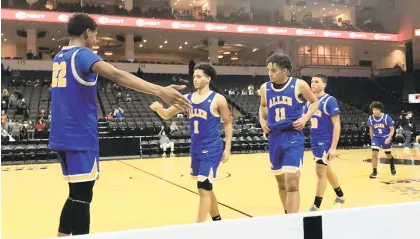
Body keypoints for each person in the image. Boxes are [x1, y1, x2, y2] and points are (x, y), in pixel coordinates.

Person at [49, 13, 191, 237]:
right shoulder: (83, 54)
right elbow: (116, 75)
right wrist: (160, 90)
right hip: (79, 134)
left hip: (62, 135)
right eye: (95, 34)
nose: (96, 40)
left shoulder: (60, 56)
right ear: (88, 32)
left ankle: (62, 236)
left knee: (76, 194)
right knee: (83, 196)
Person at [150, 62, 232, 222]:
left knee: (202, 186)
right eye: (194, 76)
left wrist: (228, 148)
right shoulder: (187, 99)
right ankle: (217, 221)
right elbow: (167, 114)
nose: (195, 79)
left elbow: (228, 123)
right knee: (206, 187)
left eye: (199, 76)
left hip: (212, 148)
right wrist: (159, 108)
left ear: (208, 79)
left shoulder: (218, 99)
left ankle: (198, 228)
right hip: (196, 149)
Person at [259, 53, 319, 214]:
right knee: (281, 183)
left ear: (285, 71)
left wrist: (305, 117)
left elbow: (314, 102)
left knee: (292, 182)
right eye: (268, 70)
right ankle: (287, 215)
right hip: (274, 137)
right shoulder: (265, 87)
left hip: (293, 135)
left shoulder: (299, 84)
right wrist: (262, 120)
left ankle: (293, 220)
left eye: (274, 70)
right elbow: (263, 106)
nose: (270, 73)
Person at [304, 73, 345, 211]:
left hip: (325, 141)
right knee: (326, 170)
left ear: (324, 84)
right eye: (311, 81)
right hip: (314, 141)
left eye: (316, 81)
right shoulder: (309, 102)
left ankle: (316, 205)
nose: (313, 83)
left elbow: (337, 125)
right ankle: (340, 195)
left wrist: (333, 147)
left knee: (320, 171)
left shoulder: (330, 100)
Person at [366, 101, 396, 179]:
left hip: (386, 137)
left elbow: (392, 129)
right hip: (376, 138)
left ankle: (392, 163)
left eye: (376, 109)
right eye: (373, 109)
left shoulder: (386, 117)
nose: (374, 111)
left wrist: (389, 138)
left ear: (380, 110)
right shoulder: (371, 118)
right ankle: (374, 172)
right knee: (374, 153)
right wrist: (372, 138)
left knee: (388, 153)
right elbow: (371, 128)